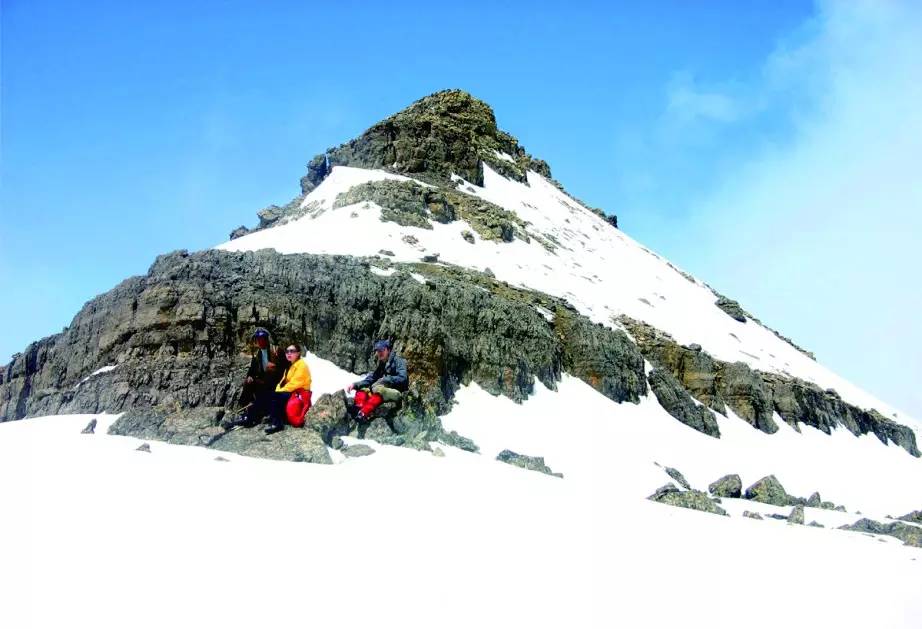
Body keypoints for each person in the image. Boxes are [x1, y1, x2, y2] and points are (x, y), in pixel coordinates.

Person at [225, 327, 288, 429]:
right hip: (264, 382)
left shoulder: (276, 350)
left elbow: (286, 367)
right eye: (258, 339)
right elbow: (252, 370)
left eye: (262, 338)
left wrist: (275, 368)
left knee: (264, 395)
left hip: (275, 382)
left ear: (267, 339)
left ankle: (252, 414)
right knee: (248, 383)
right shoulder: (258, 354)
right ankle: (245, 408)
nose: (260, 341)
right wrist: (250, 377)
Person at [347, 340, 408, 421]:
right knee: (363, 389)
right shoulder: (382, 364)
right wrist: (355, 385)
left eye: (382, 350)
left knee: (380, 390)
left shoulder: (398, 361)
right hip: (383, 390)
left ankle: (363, 413)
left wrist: (387, 379)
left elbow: (403, 378)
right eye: (378, 351)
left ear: (388, 350)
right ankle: (359, 408)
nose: (379, 353)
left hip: (397, 392)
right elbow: (372, 378)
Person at [264, 343, 312, 435]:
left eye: (292, 351)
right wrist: (277, 390)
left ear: (298, 353)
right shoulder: (290, 366)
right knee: (268, 394)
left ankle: (277, 423)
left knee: (275, 396)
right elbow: (282, 383)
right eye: (287, 351)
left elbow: (294, 384)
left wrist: (278, 392)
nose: (289, 353)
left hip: (299, 394)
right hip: (293, 393)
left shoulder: (301, 365)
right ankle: (251, 417)